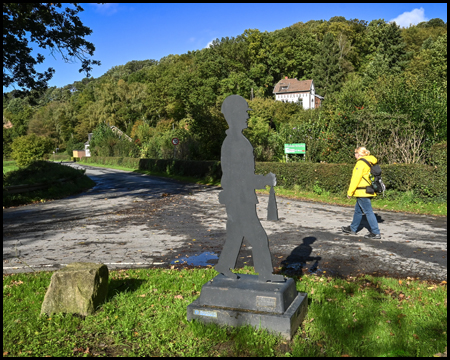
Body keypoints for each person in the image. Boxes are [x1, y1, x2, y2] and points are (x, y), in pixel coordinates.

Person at [214, 95, 284, 282]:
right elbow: (241, 178)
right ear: (235, 115)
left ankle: (224, 265)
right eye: (244, 113)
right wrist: (264, 180)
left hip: (237, 198)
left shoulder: (236, 141)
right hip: (239, 199)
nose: (247, 117)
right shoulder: (236, 143)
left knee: (235, 235)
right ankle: (265, 274)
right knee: (259, 237)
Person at [342, 147, 381, 239]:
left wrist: (350, 192)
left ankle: (375, 232)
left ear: (358, 154)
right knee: (358, 211)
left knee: (368, 211)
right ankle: (353, 228)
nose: (354, 156)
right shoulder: (370, 161)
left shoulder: (360, 163)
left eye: (355, 154)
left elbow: (355, 179)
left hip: (361, 190)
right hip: (368, 189)